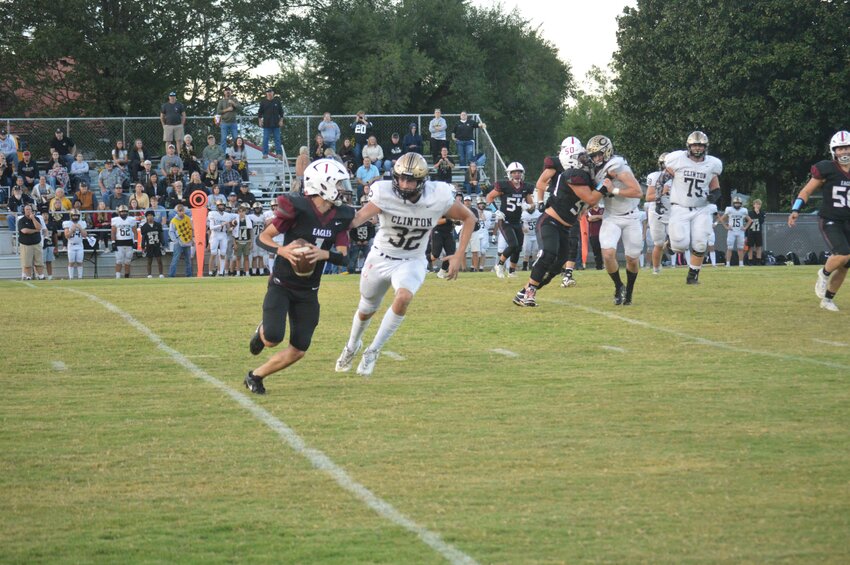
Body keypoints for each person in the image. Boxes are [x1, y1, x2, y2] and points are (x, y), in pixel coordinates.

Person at [335, 153, 476, 377]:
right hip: (380, 257)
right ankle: (352, 345)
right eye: (401, 178)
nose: (404, 184)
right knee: (366, 309)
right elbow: (357, 219)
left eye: (410, 180)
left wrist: (459, 254)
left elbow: (469, 218)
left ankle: (373, 350)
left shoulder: (437, 196)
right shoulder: (384, 193)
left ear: (422, 181)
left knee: (403, 297)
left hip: (412, 259)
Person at [244, 158, 354, 394]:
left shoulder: (341, 215)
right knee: (272, 338)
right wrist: (282, 250)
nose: (344, 189)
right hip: (281, 284)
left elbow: (344, 256)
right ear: (323, 185)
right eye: (339, 183)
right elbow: (263, 237)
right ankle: (262, 331)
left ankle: (255, 376)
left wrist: (323, 253)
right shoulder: (297, 207)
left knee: (300, 348)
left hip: (309, 291)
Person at [513, 142, 605, 307]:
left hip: (564, 227)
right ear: (571, 161)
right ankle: (529, 293)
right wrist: (606, 186)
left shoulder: (583, 175)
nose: (586, 159)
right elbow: (591, 198)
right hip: (550, 222)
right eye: (581, 157)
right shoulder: (571, 175)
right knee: (548, 254)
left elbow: (590, 201)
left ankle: (523, 292)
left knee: (556, 267)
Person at [788, 130, 850, 312]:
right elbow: (806, 191)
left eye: (847, 148)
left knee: (846, 265)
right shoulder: (827, 169)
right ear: (834, 151)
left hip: (848, 221)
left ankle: (828, 300)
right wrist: (795, 209)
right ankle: (823, 274)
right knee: (843, 253)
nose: (844, 152)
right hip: (831, 219)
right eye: (840, 149)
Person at [586, 135, 644, 305]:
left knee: (632, 259)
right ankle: (619, 286)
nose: (596, 158)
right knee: (608, 254)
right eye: (593, 155)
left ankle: (630, 293)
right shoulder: (595, 170)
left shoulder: (616, 166)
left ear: (607, 151)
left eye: (599, 154)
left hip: (631, 216)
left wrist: (615, 190)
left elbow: (638, 192)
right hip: (611, 216)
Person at [663, 131, 724, 285]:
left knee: (701, 242)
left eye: (701, 145)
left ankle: (693, 275)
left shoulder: (712, 164)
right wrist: (659, 196)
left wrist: (714, 196)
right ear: (689, 146)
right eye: (695, 145)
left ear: (706, 147)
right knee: (680, 244)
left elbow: (715, 187)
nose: (698, 148)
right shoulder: (677, 159)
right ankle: (671, 243)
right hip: (680, 207)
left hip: (701, 208)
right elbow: (664, 179)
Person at [487, 161, 534, 277]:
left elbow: (532, 206)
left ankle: (512, 271)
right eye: (514, 172)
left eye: (519, 172)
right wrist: (496, 211)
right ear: (510, 174)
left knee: (518, 248)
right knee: (513, 244)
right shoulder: (504, 186)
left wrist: (528, 206)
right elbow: (489, 197)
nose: (517, 174)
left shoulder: (525, 187)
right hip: (505, 220)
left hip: (517, 221)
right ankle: (499, 265)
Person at [645, 152, 672, 274]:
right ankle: (656, 270)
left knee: (679, 241)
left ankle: (671, 244)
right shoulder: (654, 176)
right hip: (657, 212)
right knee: (659, 243)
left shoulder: (678, 177)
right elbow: (648, 197)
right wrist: (662, 192)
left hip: (673, 212)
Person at [719, 196, 752, 267]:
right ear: (733, 203)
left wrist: (745, 227)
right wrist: (726, 227)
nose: (737, 205)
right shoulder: (729, 210)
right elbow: (722, 219)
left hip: (740, 232)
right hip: (732, 231)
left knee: (740, 248)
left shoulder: (743, 210)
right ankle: (727, 264)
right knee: (729, 248)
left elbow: (750, 220)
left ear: (741, 204)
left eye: (738, 203)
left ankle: (741, 263)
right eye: (736, 203)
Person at [17, 204, 46, 280]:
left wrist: (33, 219)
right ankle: (28, 277)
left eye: (30, 209)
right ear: (24, 211)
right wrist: (35, 230)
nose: (28, 211)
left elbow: (39, 227)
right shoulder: (21, 220)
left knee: (39, 262)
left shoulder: (37, 219)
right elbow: (25, 231)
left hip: (37, 243)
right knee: (27, 263)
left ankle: (41, 276)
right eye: (27, 209)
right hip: (26, 244)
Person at [208, 199, 235, 276]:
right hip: (215, 234)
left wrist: (232, 227)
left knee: (223, 254)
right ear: (217, 206)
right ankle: (210, 272)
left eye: (222, 205)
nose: (221, 206)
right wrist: (221, 225)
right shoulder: (212, 213)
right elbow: (211, 227)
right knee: (213, 253)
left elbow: (228, 229)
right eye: (220, 205)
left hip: (223, 234)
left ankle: (221, 272)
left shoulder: (227, 215)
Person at [168, 204, 194, 277]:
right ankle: (171, 275)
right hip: (178, 242)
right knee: (175, 259)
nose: (181, 212)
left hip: (187, 241)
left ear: (184, 211)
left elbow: (192, 229)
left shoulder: (188, 218)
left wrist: (192, 239)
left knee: (188, 260)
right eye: (179, 211)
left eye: (182, 211)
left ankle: (189, 275)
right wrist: (175, 241)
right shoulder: (174, 221)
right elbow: (171, 232)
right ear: (177, 212)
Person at [111, 204, 137, 278]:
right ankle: (118, 276)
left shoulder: (131, 219)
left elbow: (135, 232)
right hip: (119, 242)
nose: (123, 213)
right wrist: (113, 242)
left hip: (129, 242)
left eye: (125, 212)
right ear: (119, 212)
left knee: (128, 261)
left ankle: (126, 276)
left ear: (127, 212)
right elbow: (113, 232)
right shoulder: (115, 220)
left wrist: (136, 241)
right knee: (118, 261)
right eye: (122, 212)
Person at [258, 87, 284, 158]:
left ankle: (278, 153)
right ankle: (265, 154)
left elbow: (281, 113)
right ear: (266, 93)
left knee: (277, 139)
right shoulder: (263, 102)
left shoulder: (277, 101)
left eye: (270, 92)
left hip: (276, 124)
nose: (269, 93)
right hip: (266, 124)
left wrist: (281, 121)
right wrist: (260, 121)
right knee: (265, 139)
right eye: (268, 92)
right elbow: (259, 113)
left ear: (273, 93)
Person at [215, 86, 242, 153]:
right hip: (224, 123)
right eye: (226, 91)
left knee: (235, 139)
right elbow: (218, 111)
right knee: (223, 139)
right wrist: (227, 109)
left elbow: (240, 108)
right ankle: (222, 155)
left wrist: (233, 103)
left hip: (233, 123)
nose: (228, 92)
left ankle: (237, 154)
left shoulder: (234, 100)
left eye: (229, 91)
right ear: (224, 92)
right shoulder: (221, 101)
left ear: (231, 92)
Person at [63, 207, 88, 279]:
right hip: (71, 245)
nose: (75, 217)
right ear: (71, 216)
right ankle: (71, 278)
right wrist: (72, 230)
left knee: (80, 262)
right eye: (74, 215)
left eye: (76, 215)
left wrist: (80, 228)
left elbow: (85, 235)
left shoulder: (82, 223)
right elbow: (66, 236)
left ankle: (80, 277)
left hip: (80, 245)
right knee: (71, 262)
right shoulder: (68, 223)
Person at [140, 209, 165, 278]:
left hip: (157, 245)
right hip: (149, 245)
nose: (150, 217)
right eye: (148, 215)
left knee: (159, 260)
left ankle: (161, 274)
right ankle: (149, 274)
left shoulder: (158, 225)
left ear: (153, 216)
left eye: (151, 215)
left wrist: (162, 243)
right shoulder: (144, 227)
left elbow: (161, 235)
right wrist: (143, 246)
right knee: (149, 260)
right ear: (146, 217)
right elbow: (143, 237)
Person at [232, 203, 254, 276]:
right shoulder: (235, 220)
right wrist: (234, 243)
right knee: (238, 258)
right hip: (238, 241)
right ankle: (238, 273)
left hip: (247, 241)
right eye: (240, 211)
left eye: (243, 211)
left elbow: (250, 232)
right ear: (238, 212)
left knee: (246, 257)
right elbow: (233, 232)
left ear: (245, 212)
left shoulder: (248, 220)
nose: (241, 213)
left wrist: (251, 242)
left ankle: (247, 272)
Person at [520, 202, 541, 271]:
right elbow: (519, 222)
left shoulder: (538, 213)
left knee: (536, 251)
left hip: (536, 234)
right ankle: (524, 267)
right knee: (527, 251)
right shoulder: (523, 214)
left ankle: (534, 266)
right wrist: (522, 228)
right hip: (527, 235)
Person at [249, 202, 268, 275]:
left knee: (261, 256)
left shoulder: (263, 216)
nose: (257, 209)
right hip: (253, 237)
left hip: (261, 237)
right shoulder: (250, 216)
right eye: (256, 208)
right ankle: (254, 272)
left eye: (259, 208)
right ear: (253, 209)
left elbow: (266, 226)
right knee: (254, 256)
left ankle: (261, 272)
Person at [746, 198, 766, 265]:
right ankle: (750, 261)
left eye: (759, 204)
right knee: (750, 247)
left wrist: (758, 214)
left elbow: (761, 221)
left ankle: (758, 261)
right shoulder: (750, 213)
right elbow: (747, 222)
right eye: (757, 204)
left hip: (758, 232)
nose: (758, 206)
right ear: (754, 205)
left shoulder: (762, 212)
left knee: (759, 247)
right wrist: (746, 235)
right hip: (751, 232)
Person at [41, 210, 59, 280]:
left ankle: (50, 276)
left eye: (46, 214)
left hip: (50, 245)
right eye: (44, 214)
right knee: (41, 262)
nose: (45, 215)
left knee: (49, 262)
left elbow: (55, 236)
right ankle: (40, 276)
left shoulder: (52, 224)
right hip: (42, 245)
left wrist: (56, 247)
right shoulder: (39, 223)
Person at [586, 202, 604, 270]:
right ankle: (599, 267)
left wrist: (595, 217)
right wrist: (599, 217)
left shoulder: (603, 210)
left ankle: (607, 265)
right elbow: (589, 219)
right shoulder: (589, 211)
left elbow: (604, 217)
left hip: (604, 233)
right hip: (593, 234)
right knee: (596, 251)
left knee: (605, 250)